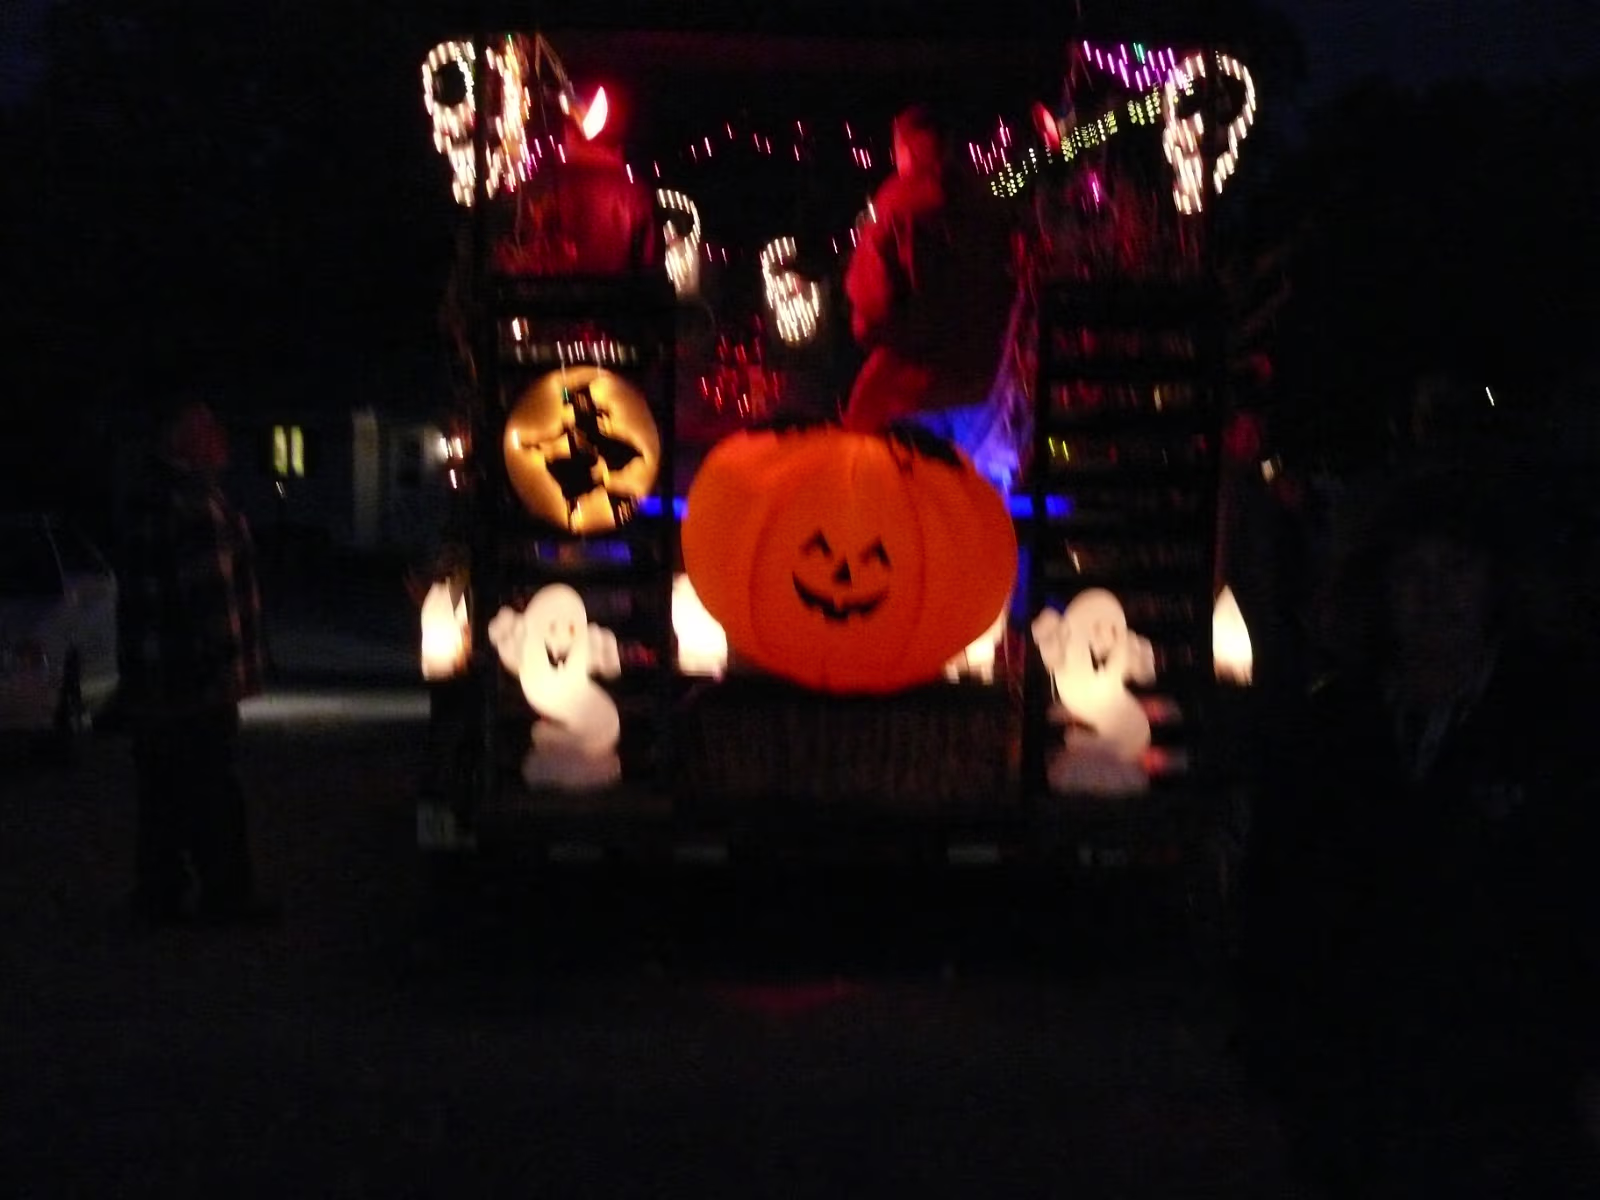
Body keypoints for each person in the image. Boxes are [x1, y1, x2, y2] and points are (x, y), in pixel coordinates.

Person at [1235, 469, 1600, 1196]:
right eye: (1413, 573)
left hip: (1509, 1086)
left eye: (1456, 570)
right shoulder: (1331, 731)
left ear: (1494, 583)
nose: (1435, 596)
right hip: (1356, 1079)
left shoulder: (1555, 728)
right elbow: (1278, 893)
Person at [117, 398, 274, 928]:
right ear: (184, 439)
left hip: (153, 680)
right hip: (194, 683)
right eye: (207, 429)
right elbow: (210, 603)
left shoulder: (147, 502)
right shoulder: (195, 508)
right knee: (212, 790)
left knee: (161, 792)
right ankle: (226, 894)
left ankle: (159, 892)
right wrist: (226, 670)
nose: (220, 439)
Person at [841, 104, 1016, 460]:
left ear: (905, 148)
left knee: (854, 436)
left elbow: (872, 313)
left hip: (916, 390)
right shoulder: (986, 204)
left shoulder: (898, 204)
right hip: (985, 386)